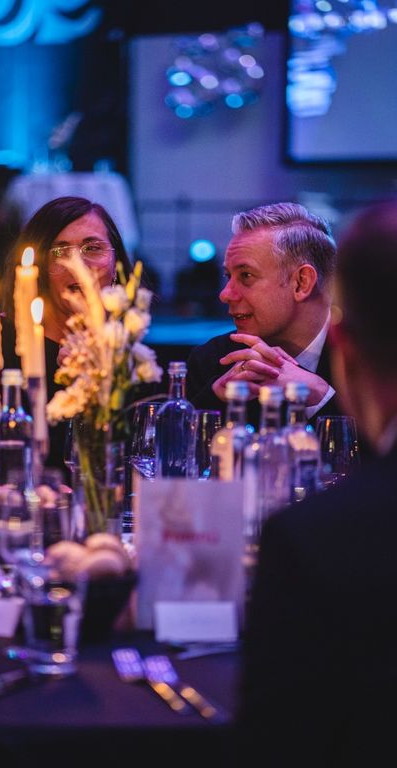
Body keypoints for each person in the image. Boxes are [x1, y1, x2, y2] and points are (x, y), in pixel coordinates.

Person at [233, 199, 397, 767]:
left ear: (345, 345)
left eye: (244, 277)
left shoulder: (313, 542)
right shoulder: (227, 362)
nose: (228, 295)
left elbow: (275, 742)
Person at [0, 195, 135, 473]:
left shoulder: (131, 353)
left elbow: (140, 460)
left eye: (93, 248)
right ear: (41, 268)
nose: (79, 264)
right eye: (61, 252)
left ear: (116, 264)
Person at [186, 202, 339, 427]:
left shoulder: (374, 359)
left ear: (301, 283)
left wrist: (321, 395)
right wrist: (214, 400)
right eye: (228, 276)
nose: (225, 294)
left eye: (246, 275)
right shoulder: (212, 361)